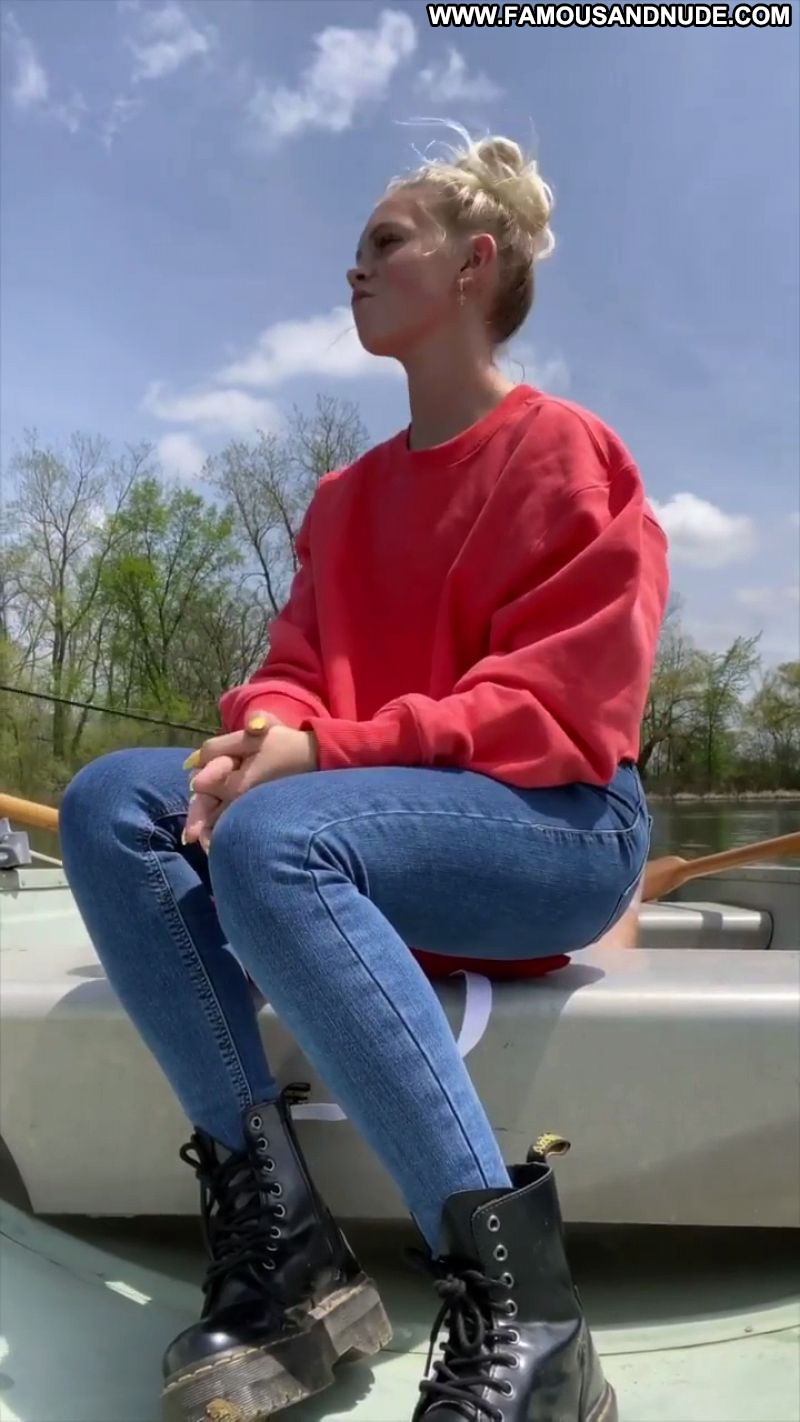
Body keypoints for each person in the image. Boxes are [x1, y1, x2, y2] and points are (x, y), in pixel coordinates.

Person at [60, 128, 668, 1422]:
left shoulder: (569, 455)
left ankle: (531, 1317)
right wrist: (255, 740)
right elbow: (292, 664)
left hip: (556, 828)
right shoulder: (341, 501)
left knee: (278, 841)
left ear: (474, 264)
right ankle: (286, 1248)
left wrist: (321, 754)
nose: (355, 266)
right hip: (356, 817)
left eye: (387, 241)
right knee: (113, 803)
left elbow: (559, 714)